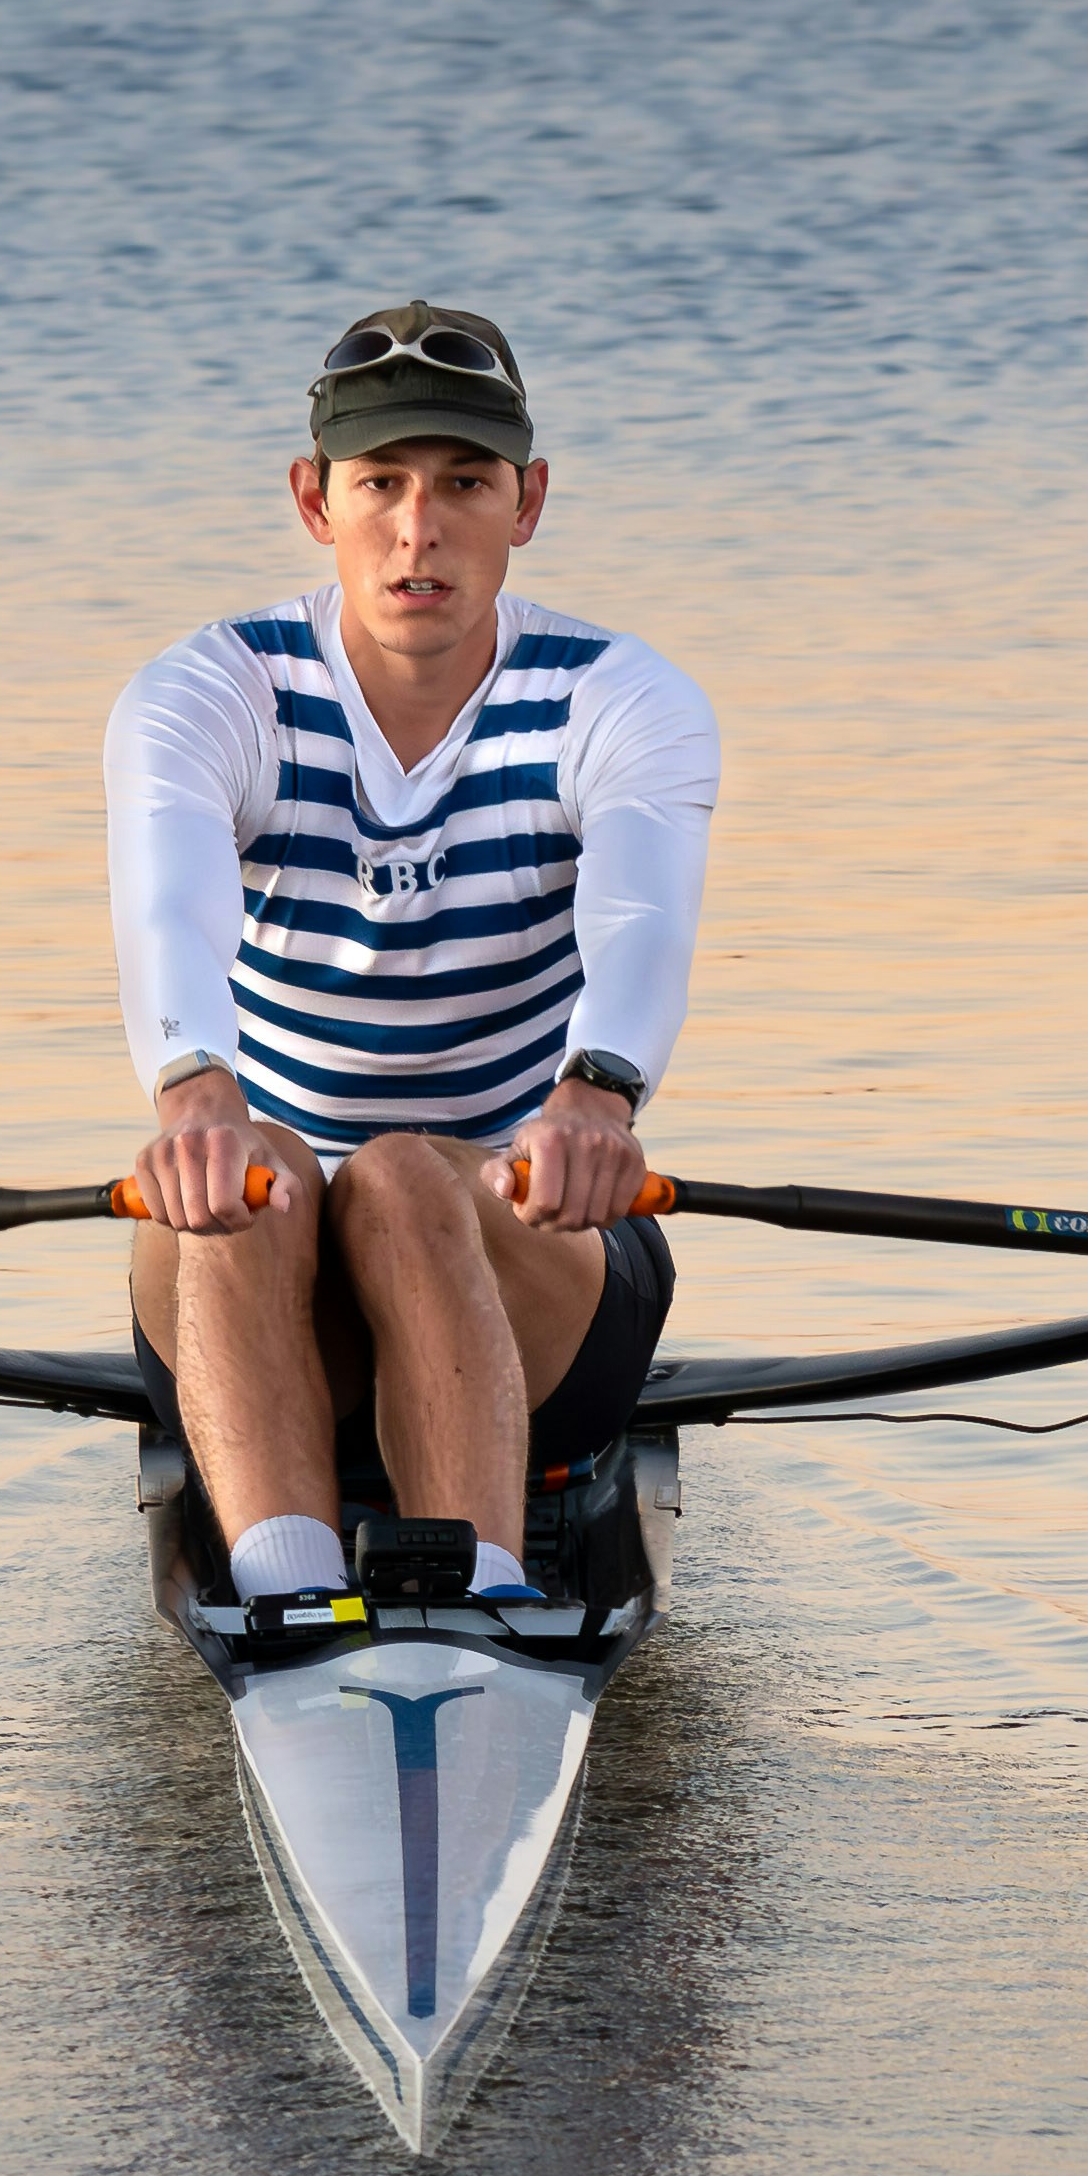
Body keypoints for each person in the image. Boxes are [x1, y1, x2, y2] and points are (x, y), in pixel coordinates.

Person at [109, 302, 719, 1607]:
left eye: (464, 485)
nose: (417, 528)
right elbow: (168, 912)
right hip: (258, 1245)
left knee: (398, 1177)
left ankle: (477, 1591)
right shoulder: (209, 691)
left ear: (527, 502)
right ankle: (288, 1589)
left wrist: (600, 1093)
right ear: (314, 501)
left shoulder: (618, 696)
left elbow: (641, 925)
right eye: (379, 482)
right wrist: (191, 1086)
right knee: (258, 1173)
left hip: (535, 1245)